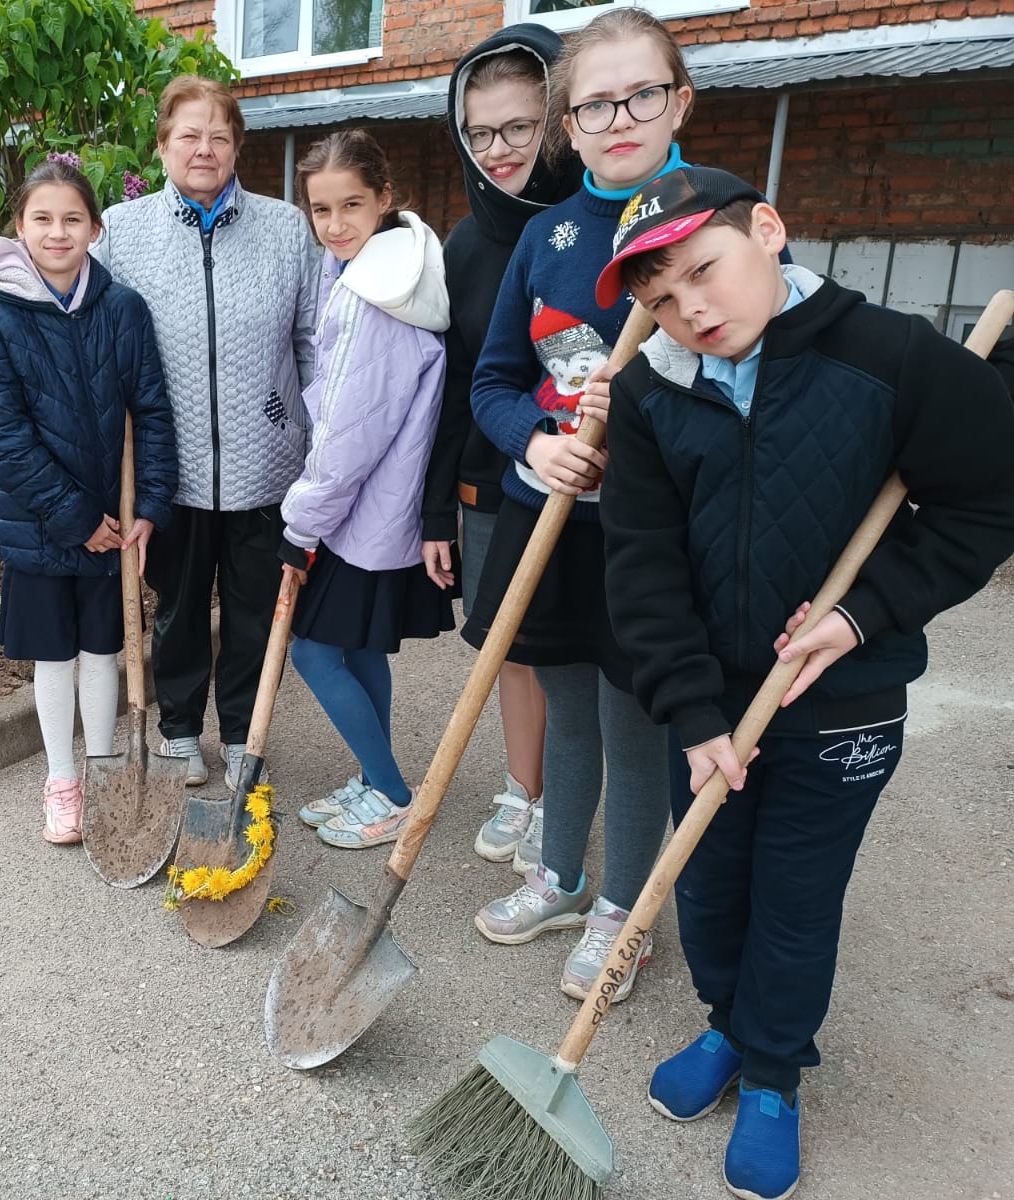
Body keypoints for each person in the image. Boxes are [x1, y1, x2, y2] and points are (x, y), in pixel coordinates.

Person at [599, 164, 1014, 1200]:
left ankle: (775, 1071)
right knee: (706, 879)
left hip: (843, 701)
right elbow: (641, 561)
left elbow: (983, 507)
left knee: (794, 895)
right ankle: (726, 1029)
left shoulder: (892, 359)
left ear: (769, 230)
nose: (690, 308)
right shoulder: (651, 393)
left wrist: (860, 613)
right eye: (659, 300)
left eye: (705, 270)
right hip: (710, 706)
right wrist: (689, 711)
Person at [463, 6, 700, 1004]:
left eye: (640, 95)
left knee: (631, 720)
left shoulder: (716, 219)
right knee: (562, 697)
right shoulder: (548, 237)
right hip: (548, 514)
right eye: (594, 104)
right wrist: (538, 439)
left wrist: (637, 421)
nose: (618, 119)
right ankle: (560, 875)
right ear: (568, 124)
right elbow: (493, 381)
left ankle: (623, 910)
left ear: (677, 100)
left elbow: (752, 393)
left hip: (649, 533)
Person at [94, 75, 319, 794]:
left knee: (255, 614)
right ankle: (180, 732)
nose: (204, 148)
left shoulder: (286, 229)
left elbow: (313, 340)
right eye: (188, 135)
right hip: (170, 471)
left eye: (219, 136)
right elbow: (93, 340)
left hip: (267, 463)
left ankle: (246, 736)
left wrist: (306, 429)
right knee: (180, 609)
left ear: (238, 146)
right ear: (161, 146)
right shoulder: (122, 232)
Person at [0, 160, 178, 845]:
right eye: (42, 219)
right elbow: (0, 434)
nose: (58, 232)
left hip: (117, 524)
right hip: (44, 524)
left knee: (104, 648)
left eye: (72, 218)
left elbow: (153, 410)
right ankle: (62, 779)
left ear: (96, 227)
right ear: (19, 228)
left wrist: (149, 506)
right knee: (55, 656)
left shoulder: (123, 309)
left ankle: (105, 767)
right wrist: (77, 519)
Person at [421, 26, 582, 872]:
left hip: (596, 486)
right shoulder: (467, 242)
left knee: (578, 659)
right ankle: (528, 792)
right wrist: (435, 509)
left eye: (519, 127)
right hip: (493, 483)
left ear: (558, 118)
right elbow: (454, 387)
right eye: (479, 133)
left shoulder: (597, 223)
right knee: (509, 649)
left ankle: (573, 810)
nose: (499, 150)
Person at [275, 129, 453, 848]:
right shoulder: (372, 269)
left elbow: (352, 431)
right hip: (373, 510)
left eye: (352, 204)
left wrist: (301, 522)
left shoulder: (380, 298)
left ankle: (393, 793)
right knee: (358, 649)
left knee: (313, 652)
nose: (336, 223)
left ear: (385, 198)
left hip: (362, 509)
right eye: (320, 209)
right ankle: (374, 775)